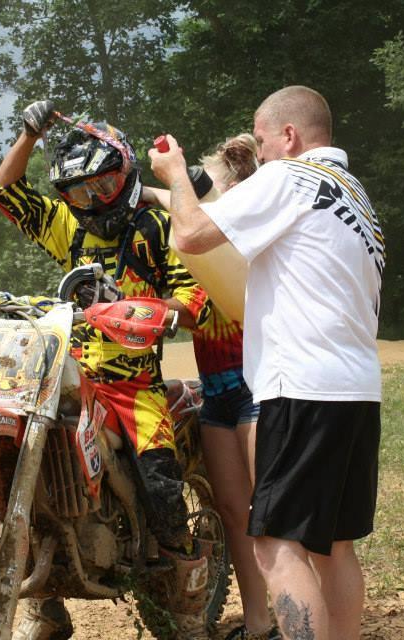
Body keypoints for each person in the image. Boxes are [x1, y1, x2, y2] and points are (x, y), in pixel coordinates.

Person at [148, 86, 385, 640]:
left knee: (275, 544)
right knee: (334, 546)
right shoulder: (356, 197)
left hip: (300, 386)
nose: (260, 154)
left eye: (261, 140)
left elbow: (191, 233)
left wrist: (175, 174)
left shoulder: (290, 177)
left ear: (289, 136)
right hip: (356, 388)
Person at [0, 99, 214, 640]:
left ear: (127, 173)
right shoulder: (69, 227)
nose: (90, 201)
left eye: (102, 187)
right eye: (78, 192)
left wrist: (158, 312)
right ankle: (44, 606)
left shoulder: (156, 226)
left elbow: (195, 296)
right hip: (69, 372)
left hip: (135, 386)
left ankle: (186, 615)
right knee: (21, 462)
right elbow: (4, 193)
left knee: (160, 481)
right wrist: (28, 134)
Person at [145, 134, 277, 640]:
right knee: (232, 512)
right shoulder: (196, 232)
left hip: (258, 384)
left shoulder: (247, 230)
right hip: (218, 392)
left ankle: (296, 617)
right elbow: (169, 205)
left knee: (271, 512)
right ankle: (260, 623)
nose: (195, 195)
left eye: (207, 185)